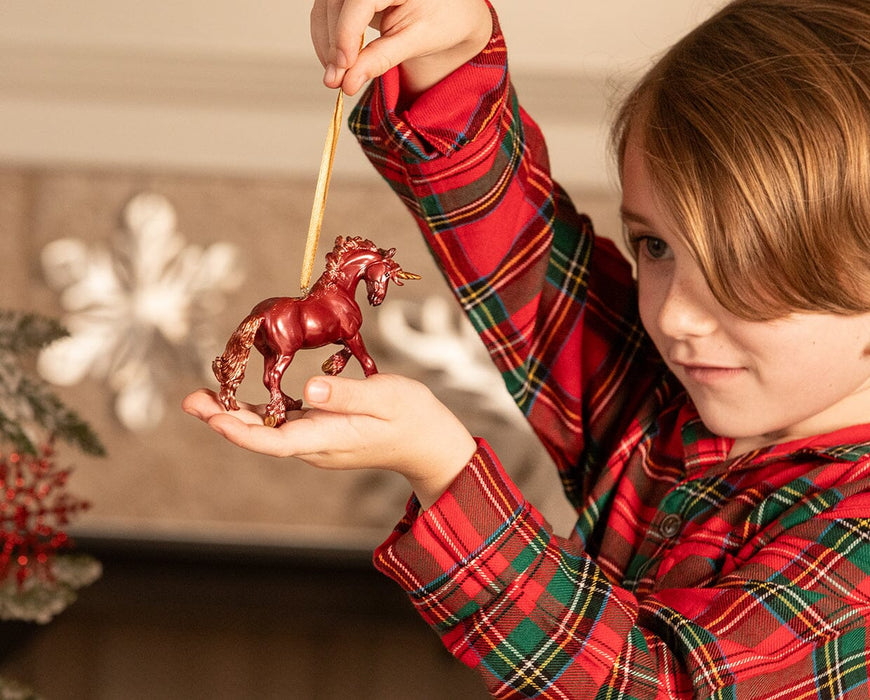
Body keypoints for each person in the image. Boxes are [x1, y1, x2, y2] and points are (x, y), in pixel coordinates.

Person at [183, 0, 870, 695]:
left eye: (744, 266)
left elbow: (655, 687)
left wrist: (448, 472)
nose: (677, 315)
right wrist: (447, 57)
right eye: (656, 246)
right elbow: (526, 265)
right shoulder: (673, 407)